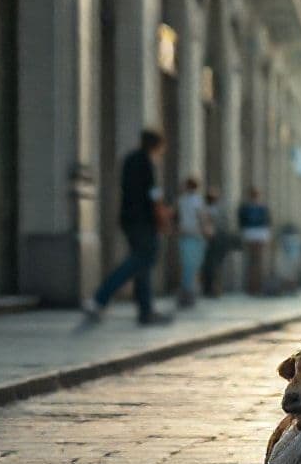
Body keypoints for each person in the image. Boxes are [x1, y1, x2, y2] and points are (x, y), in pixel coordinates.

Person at [84, 129, 172, 325]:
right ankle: (99, 299)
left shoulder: (129, 160)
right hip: (144, 222)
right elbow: (154, 196)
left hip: (128, 220)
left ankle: (145, 311)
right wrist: (163, 219)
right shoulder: (148, 163)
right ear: (156, 145)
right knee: (137, 262)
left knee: (142, 264)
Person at [176, 176, 212, 307]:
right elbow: (201, 217)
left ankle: (186, 295)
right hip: (195, 236)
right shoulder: (197, 200)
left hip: (185, 235)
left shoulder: (182, 200)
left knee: (187, 266)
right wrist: (207, 230)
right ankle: (189, 295)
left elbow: (178, 217)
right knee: (193, 266)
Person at [238, 187, 272, 296]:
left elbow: (242, 222)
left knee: (254, 261)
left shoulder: (248, 208)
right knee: (256, 261)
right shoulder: (259, 208)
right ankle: (254, 287)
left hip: (252, 234)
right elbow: (268, 222)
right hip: (257, 234)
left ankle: (255, 287)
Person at [201, 187, 231, 298]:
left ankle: (214, 289)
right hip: (211, 240)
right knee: (211, 266)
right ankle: (211, 289)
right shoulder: (210, 209)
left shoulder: (214, 209)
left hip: (216, 240)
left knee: (214, 266)